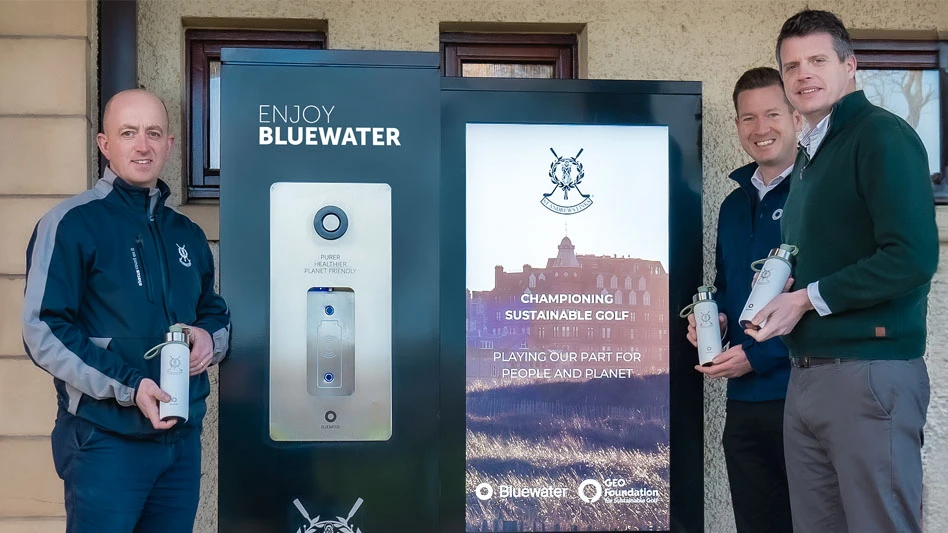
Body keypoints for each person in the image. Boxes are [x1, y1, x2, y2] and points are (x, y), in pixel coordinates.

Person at [746, 10, 937, 532]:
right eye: (791, 66)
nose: (803, 73)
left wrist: (806, 298)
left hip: (868, 373)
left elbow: (912, 257)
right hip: (806, 374)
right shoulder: (810, 155)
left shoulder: (881, 136)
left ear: (850, 65)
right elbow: (813, 261)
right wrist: (771, 305)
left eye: (817, 60)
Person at [22, 89, 231, 532]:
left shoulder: (187, 234)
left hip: (179, 441)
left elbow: (214, 311)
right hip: (106, 441)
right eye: (129, 133)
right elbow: (43, 330)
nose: (143, 145)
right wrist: (130, 386)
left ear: (170, 145)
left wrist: (210, 340)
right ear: (104, 144)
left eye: (154, 133)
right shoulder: (71, 223)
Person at [687, 67, 799, 532]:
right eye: (748, 118)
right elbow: (729, 287)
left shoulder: (816, 195)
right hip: (744, 403)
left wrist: (757, 356)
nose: (761, 128)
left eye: (772, 114)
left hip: (801, 395)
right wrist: (713, 321)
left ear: (795, 117)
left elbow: (820, 296)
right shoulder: (733, 205)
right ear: (736, 125)